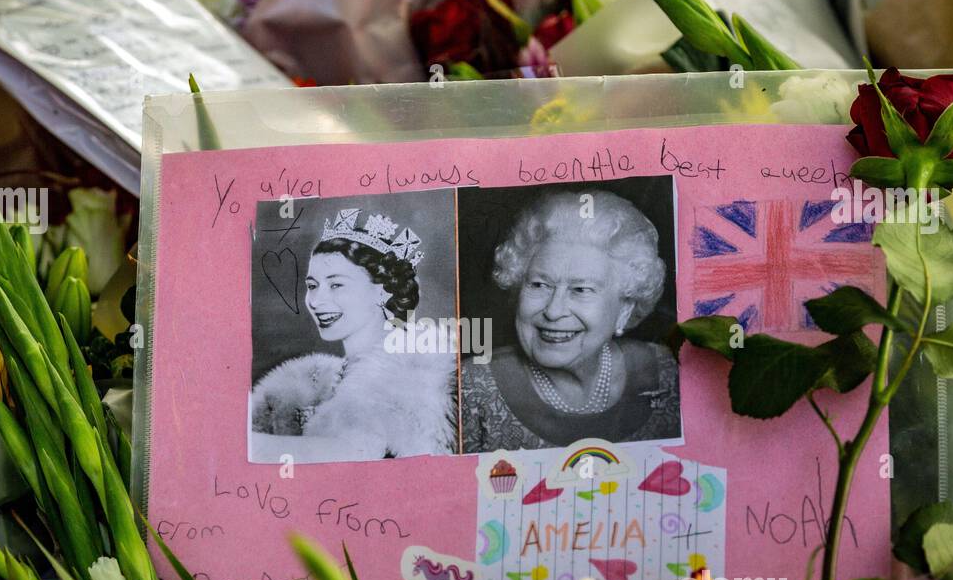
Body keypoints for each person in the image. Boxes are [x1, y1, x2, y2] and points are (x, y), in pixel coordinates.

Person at [460, 190, 679, 452]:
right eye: (539, 284)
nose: (553, 311)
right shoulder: (470, 389)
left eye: (581, 290)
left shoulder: (670, 372)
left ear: (624, 308)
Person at [251, 208, 455, 460]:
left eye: (336, 284)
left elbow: (353, 451)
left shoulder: (412, 377)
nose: (316, 301)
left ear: (382, 292)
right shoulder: (312, 382)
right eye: (312, 286)